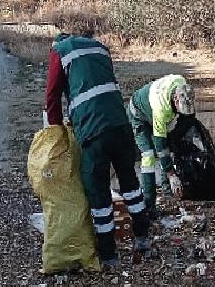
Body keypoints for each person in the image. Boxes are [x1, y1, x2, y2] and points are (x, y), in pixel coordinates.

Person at [45, 23, 151, 268]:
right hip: (121, 124)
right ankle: (143, 239)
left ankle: (109, 255)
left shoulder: (59, 51)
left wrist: (56, 131)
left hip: (94, 133)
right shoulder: (100, 48)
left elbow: (52, 96)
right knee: (130, 185)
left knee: (99, 193)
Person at [127, 74, 195, 218]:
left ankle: (168, 193)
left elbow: (186, 120)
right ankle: (149, 205)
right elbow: (160, 146)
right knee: (149, 156)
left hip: (153, 109)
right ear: (175, 100)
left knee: (169, 147)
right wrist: (172, 175)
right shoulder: (161, 109)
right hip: (138, 115)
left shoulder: (181, 84)